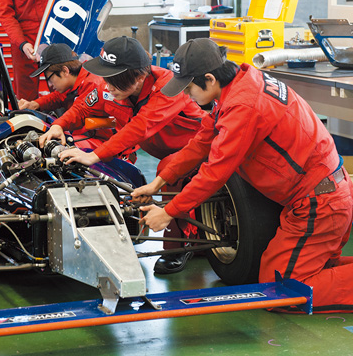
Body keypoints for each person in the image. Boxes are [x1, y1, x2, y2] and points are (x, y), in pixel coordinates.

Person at [132, 38, 353, 312]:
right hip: (320, 195)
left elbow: (214, 172)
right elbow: (202, 141)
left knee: (282, 290)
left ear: (210, 79)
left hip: (320, 204)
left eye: (188, 87)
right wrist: (160, 181)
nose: (186, 95)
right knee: (305, 270)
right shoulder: (241, 82)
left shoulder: (243, 107)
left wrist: (169, 212)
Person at [40, 36, 206, 273]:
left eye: (114, 83)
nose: (107, 87)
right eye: (107, 80)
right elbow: (84, 107)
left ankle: (178, 246)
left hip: (199, 147)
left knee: (169, 168)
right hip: (164, 149)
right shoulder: (110, 85)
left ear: (139, 77)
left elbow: (140, 127)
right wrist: (60, 124)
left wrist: (94, 155)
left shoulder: (169, 86)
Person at [19, 43, 112, 148]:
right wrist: (34, 104)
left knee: (63, 147)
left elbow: (80, 111)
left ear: (65, 71)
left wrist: (58, 125)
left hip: (107, 142)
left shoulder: (94, 83)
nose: (49, 84)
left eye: (49, 78)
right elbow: (58, 97)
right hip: (92, 133)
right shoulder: (77, 80)